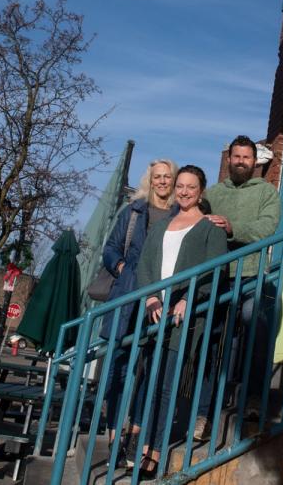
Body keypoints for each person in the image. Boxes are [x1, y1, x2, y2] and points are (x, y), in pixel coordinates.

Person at [134, 165, 227, 477]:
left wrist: (191, 297)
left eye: (191, 187)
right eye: (180, 186)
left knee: (166, 386)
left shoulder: (209, 228)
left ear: (201, 191)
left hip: (182, 319)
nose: (184, 192)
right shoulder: (162, 225)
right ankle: (142, 444)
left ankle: (156, 450)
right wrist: (150, 297)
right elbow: (145, 264)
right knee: (149, 382)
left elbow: (217, 271)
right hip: (154, 314)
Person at [99, 159, 177, 467]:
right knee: (118, 367)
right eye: (157, 177)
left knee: (150, 368)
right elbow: (110, 249)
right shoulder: (133, 212)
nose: (162, 182)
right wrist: (121, 269)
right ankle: (114, 437)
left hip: (160, 298)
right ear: (150, 180)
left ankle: (134, 436)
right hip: (127, 297)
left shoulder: (178, 215)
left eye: (167, 177)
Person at [202, 135, 280, 429]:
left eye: (247, 157)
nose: (241, 162)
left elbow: (266, 228)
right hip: (217, 276)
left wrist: (233, 227)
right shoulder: (212, 194)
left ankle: (254, 399)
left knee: (256, 331)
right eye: (237, 157)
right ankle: (204, 410)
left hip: (250, 274)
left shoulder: (266, 193)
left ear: (255, 161)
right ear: (229, 159)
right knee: (213, 340)